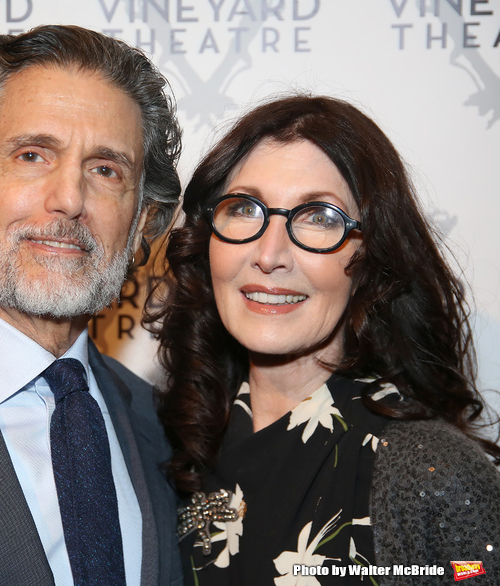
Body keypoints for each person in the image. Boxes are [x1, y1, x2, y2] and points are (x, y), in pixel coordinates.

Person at [147, 94, 500, 585]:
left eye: (320, 217)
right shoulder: (164, 442)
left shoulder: (428, 473)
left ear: (371, 260)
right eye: (245, 208)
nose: (270, 255)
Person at [0, 25, 183, 585]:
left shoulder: (163, 427)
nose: (70, 199)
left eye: (106, 170)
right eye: (32, 155)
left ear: (142, 220)